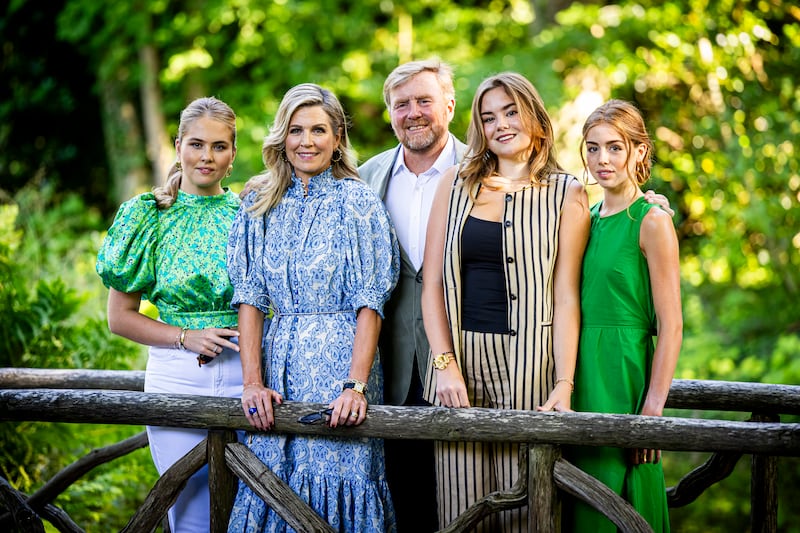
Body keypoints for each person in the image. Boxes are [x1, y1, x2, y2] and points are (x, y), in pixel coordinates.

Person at [421, 71, 590, 532]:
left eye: (511, 111)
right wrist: (444, 364)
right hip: (461, 364)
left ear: (535, 116)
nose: (501, 124)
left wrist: (564, 382)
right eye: (489, 116)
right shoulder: (455, 183)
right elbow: (432, 284)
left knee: (527, 508)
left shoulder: (567, 192)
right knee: (461, 510)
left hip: (532, 366)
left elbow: (566, 295)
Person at [226, 83, 399, 532]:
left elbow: (370, 302)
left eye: (319, 130)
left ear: (338, 137)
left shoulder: (357, 202)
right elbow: (250, 298)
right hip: (277, 367)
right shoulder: (258, 202)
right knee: (271, 486)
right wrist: (251, 384)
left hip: (341, 366)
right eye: (296, 130)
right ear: (282, 136)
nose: (307, 142)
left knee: (341, 483)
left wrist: (355, 387)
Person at [96, 97, 242, 533]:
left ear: (233, 154)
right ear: (178, 145)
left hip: (249, 372)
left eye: (219, 147)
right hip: (177, 374)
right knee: (190, 513)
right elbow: (120, 318)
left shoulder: (251, 213)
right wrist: (186, 337)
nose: (206, 157)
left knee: (257, 508)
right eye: (196, 144)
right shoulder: (148, 216)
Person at [358, 58, 466, 532]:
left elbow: (554, 210)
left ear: (449, 104)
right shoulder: (363, 178)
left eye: (424, 100)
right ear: (389, 114)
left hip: (468, 359)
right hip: (388, 364)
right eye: (401, 104)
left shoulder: (484, 168)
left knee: (469, 496)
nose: (413, 112)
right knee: (402, 501)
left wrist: (637, 196)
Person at [566, 99, 682, 532]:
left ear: (638, 151)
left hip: (623, 369)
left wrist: (652, 409)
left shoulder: (652, 220)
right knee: (581, 492)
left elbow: (672, 326)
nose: (602, 160)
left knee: (622, 495)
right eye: (592, 148)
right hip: (581, 370)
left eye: (615, 147)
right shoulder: (588, 217)